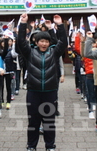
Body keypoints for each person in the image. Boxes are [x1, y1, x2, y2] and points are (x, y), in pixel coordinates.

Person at [17, 13, 67, 151]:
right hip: (33, 92)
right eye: (41, 41)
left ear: (49, 43)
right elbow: (21, 42)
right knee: (33, 121)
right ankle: (31, 146)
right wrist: (23, 23)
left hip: (50, 92)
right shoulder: (30, 52)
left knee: (49, 122)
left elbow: (63, 43)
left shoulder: (54, 53)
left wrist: (59, 26)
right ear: (36, 42)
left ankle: (50, 146)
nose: (44, 43)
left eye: (46, 41)